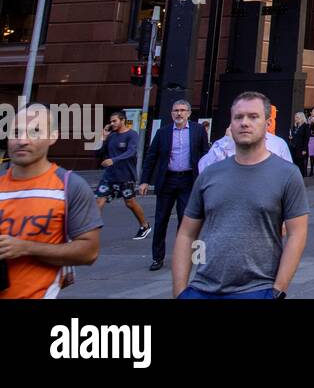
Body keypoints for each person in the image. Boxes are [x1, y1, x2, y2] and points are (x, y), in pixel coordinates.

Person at [173, 92, 309, 299]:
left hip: (257, 289)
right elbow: (186, 234)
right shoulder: (209, 174)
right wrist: (180, 292)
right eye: (238, 117)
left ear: (268, 123)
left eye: (253, 117)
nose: (244, 123)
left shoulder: (287, 174)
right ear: (231, 123)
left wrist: (277, 290)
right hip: (201, 288)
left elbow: (297, 234)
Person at [0, 104, 102, 299]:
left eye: (35, 131)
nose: (22, 140)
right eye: (16, 132)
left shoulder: (69, 186)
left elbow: (89, 252)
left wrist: (25, 247)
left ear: (53, 136)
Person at [139, 98, 210, 272]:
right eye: (176, 110)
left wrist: (206, 180)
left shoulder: (198, 131)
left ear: (189, 113)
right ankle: (157, 258)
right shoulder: (162, 132)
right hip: (167, 181)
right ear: (171, 113)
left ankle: (184, 257)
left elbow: (206, 155)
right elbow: (151, 157)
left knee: (185, 221)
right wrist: (145, 181)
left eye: (182, 110)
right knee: (161, 220)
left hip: (188, 180)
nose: (179, 113)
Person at [94, 110, 150, 240]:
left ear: (122, 120)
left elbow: (131, 152)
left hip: (126, 176)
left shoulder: (132, 135)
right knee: (99, 201)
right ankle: (92, 230)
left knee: (130, 203)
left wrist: (113, 160)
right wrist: (103, 138)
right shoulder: (112, 136)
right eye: (111, 121)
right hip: (109, 176)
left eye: (115, 121)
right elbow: (99, 154)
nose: (112, 123)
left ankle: (145, 225)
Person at [289, 111, 310, 176]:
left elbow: (307, 139)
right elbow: (294, 135)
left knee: (301, 164)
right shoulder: (295, 126)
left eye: (297, 117)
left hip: (301, 148)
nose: (295, 119)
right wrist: (291, 137)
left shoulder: (305, 126)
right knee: (294, 163)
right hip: (294, 147)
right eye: (295, 117)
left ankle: (301, 177)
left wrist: (304, 149)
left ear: (301, 118)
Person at [305, 107, 314, 177]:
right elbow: (306, 128)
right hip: (307, 138)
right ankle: (304, 170)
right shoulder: (307, 119)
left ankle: (311, 170)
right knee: (305, 154)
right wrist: (309, 123)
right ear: (311, 112)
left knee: (311, 154)